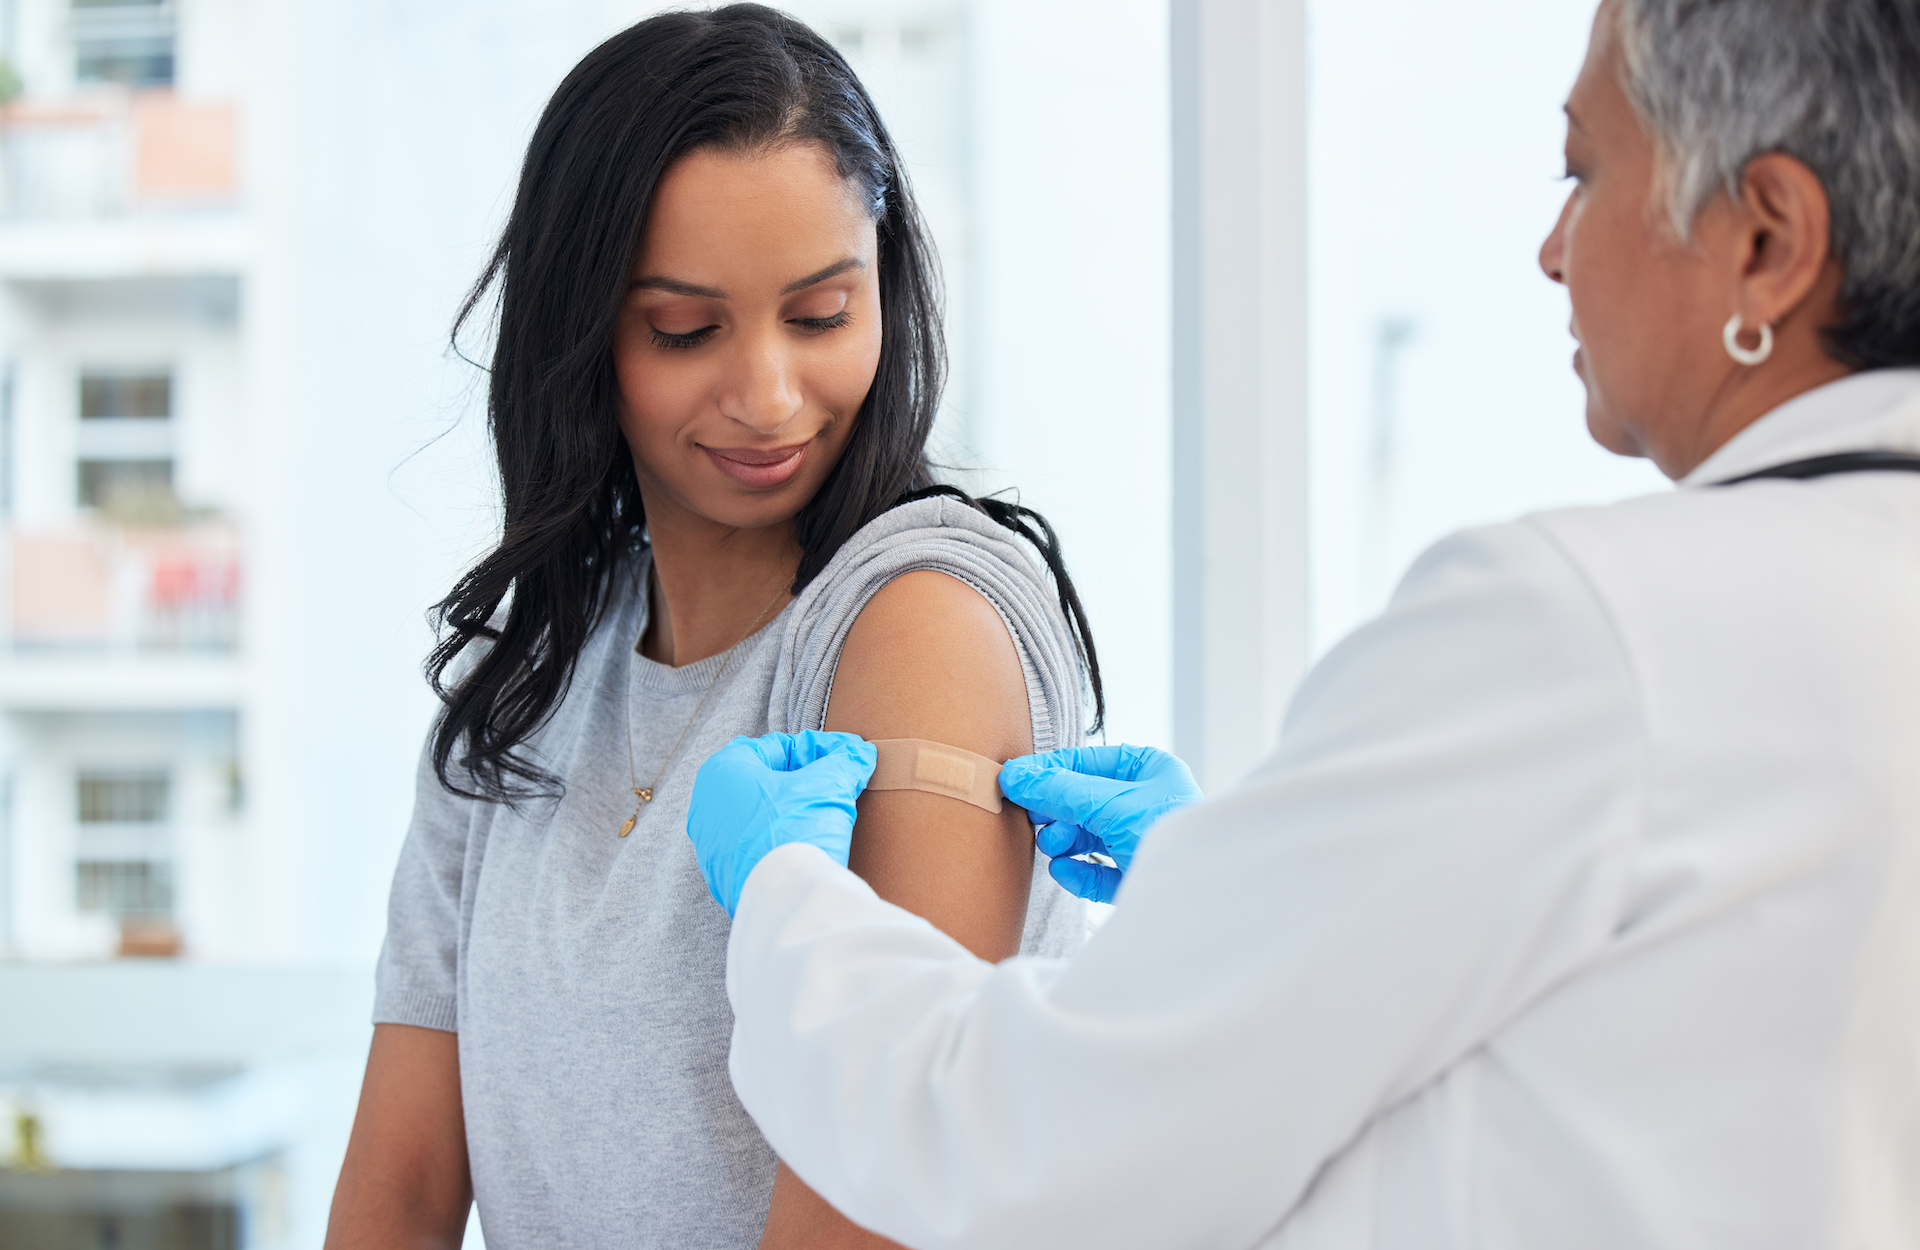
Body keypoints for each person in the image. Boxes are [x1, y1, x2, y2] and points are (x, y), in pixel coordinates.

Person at [685, 1, 1920, 1246]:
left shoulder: (1592, 628)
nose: (1553, 250)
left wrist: (792, 898)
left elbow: (1041, 1143)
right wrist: (1229, 887)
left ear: (1767, 239)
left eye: (1584, 172)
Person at [323, 7, 1103, 1249]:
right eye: (686, 329)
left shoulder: (919, 621)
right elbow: (400, 1194)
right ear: (582, 334)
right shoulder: (520, 684)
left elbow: (879, 1201)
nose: (770, 397)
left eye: (821, 314)